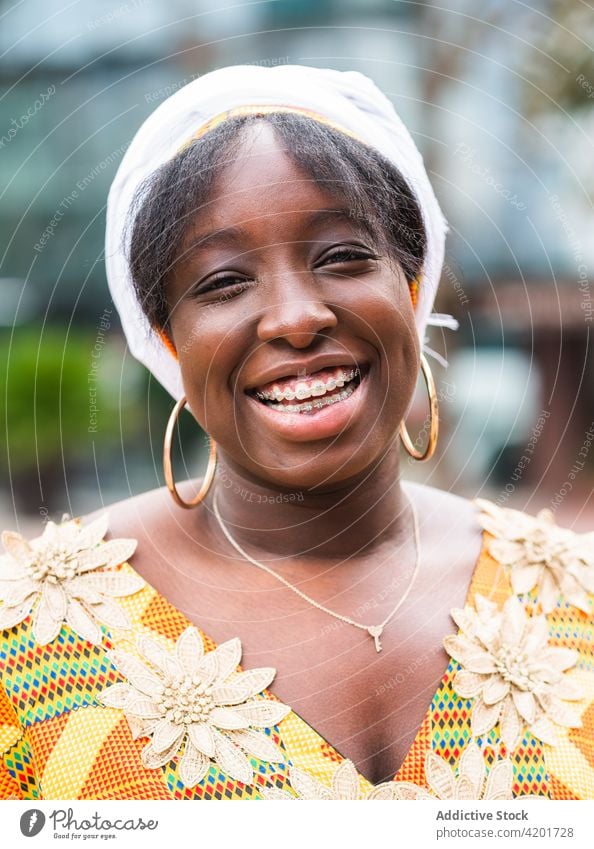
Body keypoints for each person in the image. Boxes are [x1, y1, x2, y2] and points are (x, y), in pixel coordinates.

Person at [0, 65, 592, 801]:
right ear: (167, 340)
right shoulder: (23, 638)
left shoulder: (577, 596)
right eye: (222, 281)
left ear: (412, 290)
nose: (295, 317)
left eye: (342, 256)